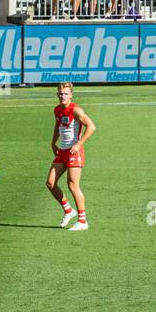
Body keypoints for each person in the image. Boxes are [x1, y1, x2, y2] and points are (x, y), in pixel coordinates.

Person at [46, 82, 95, 230]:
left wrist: (79, 144)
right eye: (60, 94)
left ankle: (82, 221)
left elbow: (92, 126)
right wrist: (53, 142)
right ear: (57, 95)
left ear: (71, 95)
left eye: (66, 93)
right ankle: (68, 211)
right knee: (50, 183)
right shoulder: (57, 110)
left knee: (73, 185)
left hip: (75, 152)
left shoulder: (76, 110)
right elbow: (58, 125)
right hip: (62, 151)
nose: (63, 96)